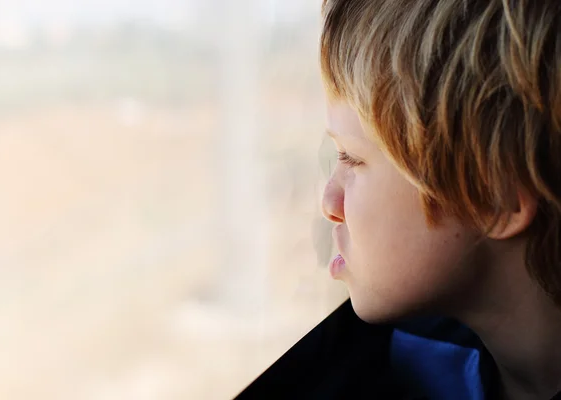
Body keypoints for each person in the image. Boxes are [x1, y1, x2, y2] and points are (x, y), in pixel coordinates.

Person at [236, 1, 561, 399]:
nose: (328, 201)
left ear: (494, 198)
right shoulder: (410, 353)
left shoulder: (429, 359)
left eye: (351, 158)